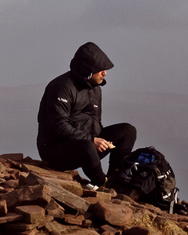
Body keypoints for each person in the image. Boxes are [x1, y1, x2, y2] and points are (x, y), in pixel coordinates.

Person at [36, 41, 136, 190]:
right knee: (87, 146)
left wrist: (100, 139)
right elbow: (58, 125)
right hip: (55, 150)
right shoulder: (61, 87)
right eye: (100, 69)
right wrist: (91, 140)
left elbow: (95, 120)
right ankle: (103, 184)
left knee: (127, 131)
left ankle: (116, 178)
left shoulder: (95, 88)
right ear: (88, 70)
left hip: (86, 143)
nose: (105, 73)